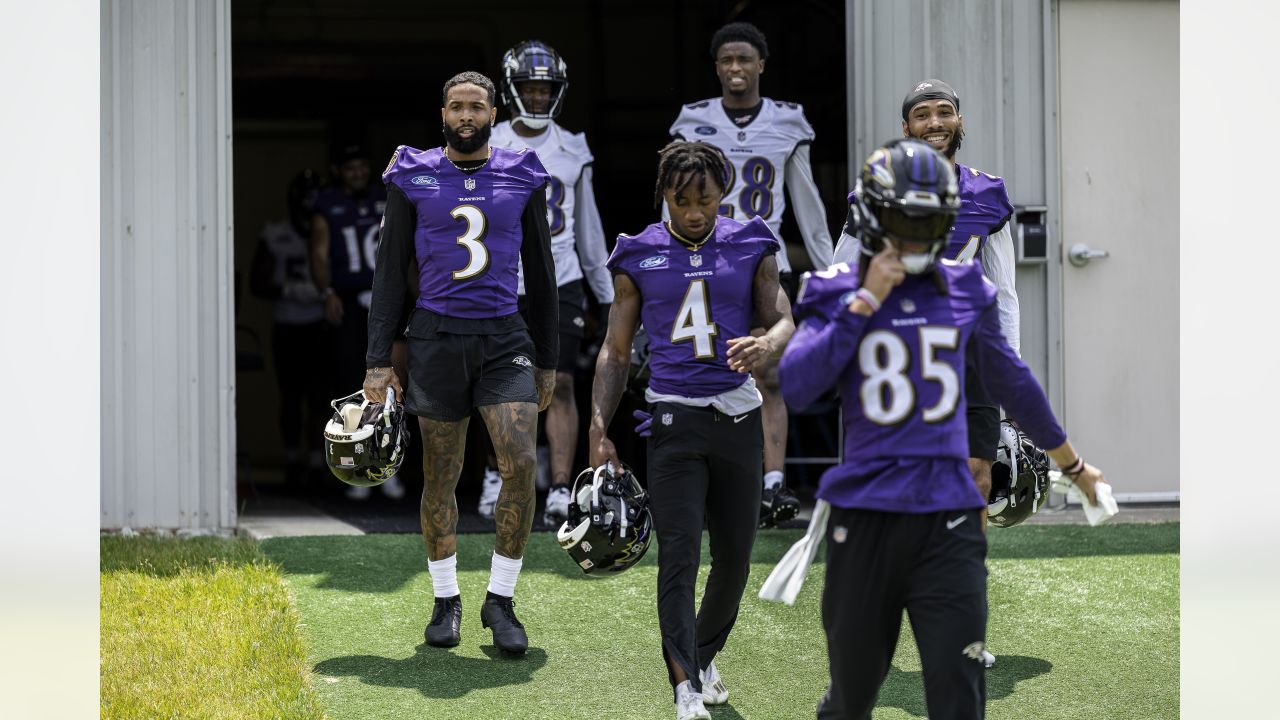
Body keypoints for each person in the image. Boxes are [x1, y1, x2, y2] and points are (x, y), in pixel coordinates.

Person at [780, 138, 1107, 720]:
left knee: (959, 696)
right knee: (852, 696)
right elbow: (800, 386)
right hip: (865, 516)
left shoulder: (965, 290)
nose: (911, 236)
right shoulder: (834, 288)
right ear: (873, 217)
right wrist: (863, 303)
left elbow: (1013, 384)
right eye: (901, 219)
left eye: (925, 220)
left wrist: (1073, 465)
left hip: (948, 521)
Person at [589, 140, 794, 720]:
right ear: (665, 196)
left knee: (735, 557)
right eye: (681, 201)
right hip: (674, 418)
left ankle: (702, 656)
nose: (694, 212)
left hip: (738, 416)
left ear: (722, 192)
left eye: (704, 199)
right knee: (679, 555)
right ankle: (683, 687)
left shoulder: (752, 241)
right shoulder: (638, 254)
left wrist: (767, 343)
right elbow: (615, 349)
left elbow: (782, 318)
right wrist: (599, 429)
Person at [363, 71, 558, 655]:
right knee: (441, 474)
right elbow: (390, 271)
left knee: (520, 462)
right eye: (456, 107)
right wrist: (378, 360)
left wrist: (547, 359)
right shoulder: (412, 172)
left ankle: (500, 599)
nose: (466, 116)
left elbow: (543, 275)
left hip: (504, 337)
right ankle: (445, 598)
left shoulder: (523, 172)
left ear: (494, 113)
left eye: (476, 107)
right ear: (442, 113)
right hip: (436, 337)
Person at [834, 78, 1020, 667]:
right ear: (907, 127)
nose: (935, 122)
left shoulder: (988, 195)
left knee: (976, 484)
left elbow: (1006, 294)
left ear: (959, 122)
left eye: (945, 112)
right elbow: (840, 277)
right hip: (899, 364)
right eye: (922, 114)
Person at [668, 21, 833, 529]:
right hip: (705, 261)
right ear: (716, 67)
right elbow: (671, 196)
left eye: (744, 59)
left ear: (761, 65)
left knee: (767, 374)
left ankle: (774, 483)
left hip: (764, 262)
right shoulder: (693, 119)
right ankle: (719, 484)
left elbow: (808, 206)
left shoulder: (787, 121)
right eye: (726, 60)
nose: (735, 69)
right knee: (702, 372)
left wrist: (830, 273)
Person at [476, 39, 614, 529]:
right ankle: (499, 473)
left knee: (561, 384)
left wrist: (608, 294)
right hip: (503, 280)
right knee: (500, 385)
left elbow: (589, 230)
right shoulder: (488, 141)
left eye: (546, 89)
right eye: (531, 88)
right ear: (513, 90)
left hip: (561, 279)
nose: (538, 97)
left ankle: (559, 485)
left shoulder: (574, 147)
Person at [309, 140, 403, 501]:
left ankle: (389, 464)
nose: (358, 173)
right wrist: (326, 292)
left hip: (387, 299)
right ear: (338, 171)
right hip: (349, 302)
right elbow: (318, 253)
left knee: (393, 384)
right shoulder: (327, 204)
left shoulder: (386, 196)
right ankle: (353, 464)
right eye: (350, 168)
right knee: (352, 383)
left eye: (363, 166)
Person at [248, 169, 327, 489]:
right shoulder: (276, 234)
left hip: (320, 323)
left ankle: (317, 461)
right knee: (292, 396)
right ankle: (294, 459)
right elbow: (257, 281)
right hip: (288, 324)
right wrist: (287, 290)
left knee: (320, 396)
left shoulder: (327, 229)